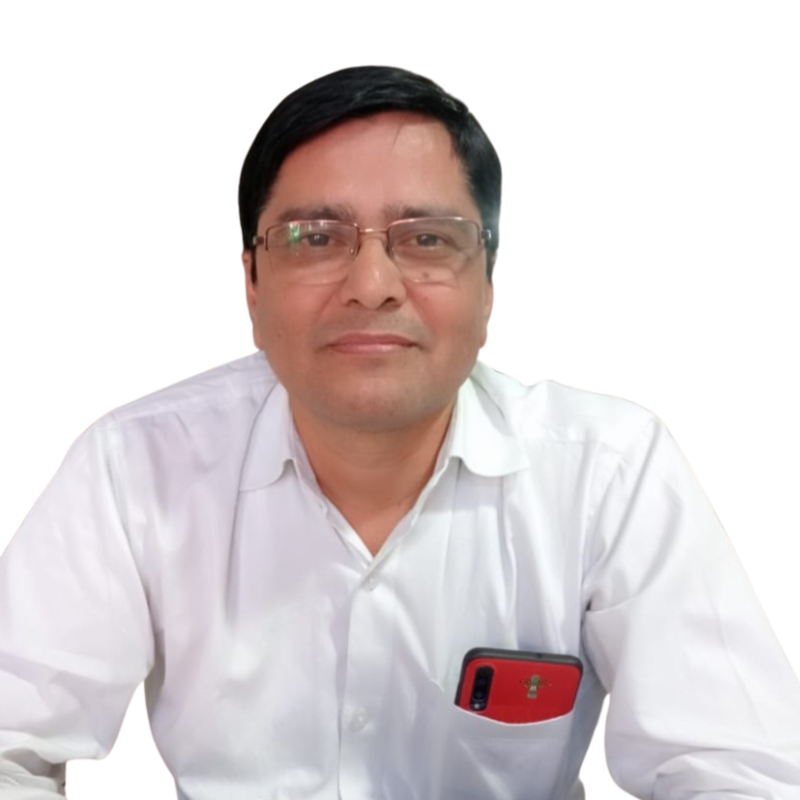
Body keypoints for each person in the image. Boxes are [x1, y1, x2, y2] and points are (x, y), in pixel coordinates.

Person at [1, 65, 798, 800]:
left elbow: (738, 772)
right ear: (252, 283)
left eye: (426, 239)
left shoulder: (608, 474)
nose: (373, 286)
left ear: (488, 286)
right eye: (316, 238)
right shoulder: (135, 468)